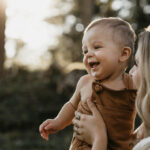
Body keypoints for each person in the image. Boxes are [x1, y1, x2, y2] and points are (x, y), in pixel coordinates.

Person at [39, 17, 137, 150]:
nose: (88, 54)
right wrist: (58, 122)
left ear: (124, 54)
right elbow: (72, 106)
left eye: (96, 47)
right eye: (85, 51)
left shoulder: (131, 84)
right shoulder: (86, 82)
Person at [73, 25, 150, 150]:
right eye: (85, 51)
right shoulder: (143, 135)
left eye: (137, 64)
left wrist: (98, 138)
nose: (131, 72)